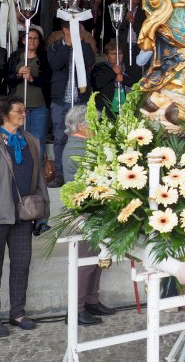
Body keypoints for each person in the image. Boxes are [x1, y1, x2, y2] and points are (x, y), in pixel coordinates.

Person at [0, 96, 50, 338]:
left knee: (21, 266)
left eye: (25, 111)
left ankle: (17, 313)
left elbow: (39, 182)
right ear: (5, 115)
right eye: (19, 111)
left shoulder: (32, 142)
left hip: (24, 217)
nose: (24, 115)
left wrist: (43, 212)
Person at [61, 105, 116, 325]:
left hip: (94, 211)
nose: (98, 127)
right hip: (83, 214)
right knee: (85, 263)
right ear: (82, 126)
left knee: (96, 259)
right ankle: (76, 309)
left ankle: (91, 300)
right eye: (95, 123)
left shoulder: (85, 145)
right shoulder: (77, 148)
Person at [48, 20, 96, 187]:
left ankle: (82, 174)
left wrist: (79, 44)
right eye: (75, 29)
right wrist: (68, 45)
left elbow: (90, 61)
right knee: (60, 137)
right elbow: (56, 64)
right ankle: (61, 175)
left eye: (80, 28)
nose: (79, 31)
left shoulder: (84, 46)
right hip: (61, 100)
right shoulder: (55, 47)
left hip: (80, 101)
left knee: (83, 137)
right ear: (65, 30)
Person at [6, 26, 51, 162]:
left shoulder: (44, 57)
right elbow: (8, 80)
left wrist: (32, 79)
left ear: (39, 41)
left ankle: (37, 172)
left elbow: (48, 79)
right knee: (18, 137)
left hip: (39, 106)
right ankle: (21, 168)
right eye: (29, 38)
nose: (32, 40)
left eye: (35, 38)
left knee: (38, 139)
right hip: (18, 107)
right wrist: (19, 74)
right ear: (23, 40)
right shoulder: (15, 56)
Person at [91, 41, 128, 115]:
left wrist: (122, 78)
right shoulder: (99, 67)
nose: (117, 56)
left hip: (126, 107)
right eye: (113, 54)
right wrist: (112, 73)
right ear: (106, 56)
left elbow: (135, 82)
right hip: (106, 109)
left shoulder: (128, 67)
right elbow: (97, 84)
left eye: (120, 53)